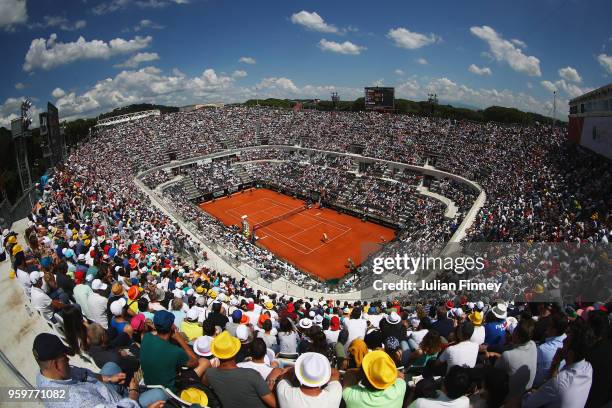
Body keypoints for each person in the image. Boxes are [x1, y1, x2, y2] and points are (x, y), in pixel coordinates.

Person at [33, 333, 166, 408]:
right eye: (64, 358)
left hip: (100, 392)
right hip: (114, 404)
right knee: (160, 395)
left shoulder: (45, 375)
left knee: (110, 366)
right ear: (56, 365)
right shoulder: (78, 402)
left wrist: (109, 379)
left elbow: (83, 374)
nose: (68, 359)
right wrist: (133, 392)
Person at [523, 324, 593, 408]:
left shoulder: (559, 382)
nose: (563, 341)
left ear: (571, 353)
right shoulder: (588, 368)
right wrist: (555, 364)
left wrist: (529, 393)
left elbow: (527, 404)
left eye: (566, 341)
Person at [204, 331, 277, 408]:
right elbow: (275, 404)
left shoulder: (209, 374)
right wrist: (270, 390)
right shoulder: (252, 375)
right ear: (235, 352)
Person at [140, 310, 205, 393]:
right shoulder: (176, 351)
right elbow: (195, 362)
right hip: (169, 392)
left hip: (148, 385)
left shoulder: (146, 337)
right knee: (204, 362)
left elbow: (154, 333)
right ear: (171, 326)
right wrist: (180, 339)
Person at [276, 352, 343, 408]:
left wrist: (294, 369)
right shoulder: (334, 395)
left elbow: (285, 375)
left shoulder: (284, 393)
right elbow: (335, 373)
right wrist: (322, 369)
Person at [494, 317, 537, 400]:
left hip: (510, 399)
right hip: (526, 394)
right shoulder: (533, 344)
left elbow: (496, 369)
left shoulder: (508, 355)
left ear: (516, 334)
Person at [534, 313, 567, 387]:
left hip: (537, 386)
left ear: (554, 330)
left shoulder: (543, 349)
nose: (546, 326)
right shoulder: (566, 340)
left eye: (549, 325)